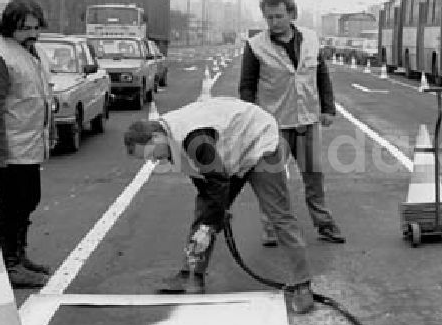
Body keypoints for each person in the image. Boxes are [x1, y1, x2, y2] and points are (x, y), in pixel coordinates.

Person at [123, 96, 315, 313]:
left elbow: (218, 180)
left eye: (149, 154)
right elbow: (205, 184)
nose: (152, 161)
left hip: (259, 141)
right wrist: (212, 218)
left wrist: (211, 224)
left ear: (156, 137)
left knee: (279, 215)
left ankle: (302, 285)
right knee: (205, 210)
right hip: (230, 153)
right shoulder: (170, 141)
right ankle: (191, 275)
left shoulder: (193, 138)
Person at [238, 0, 344, 246]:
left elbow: (321, 76)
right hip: (272, 125)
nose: (273, 23)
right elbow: (247, 86)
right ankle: (271, 228)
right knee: (272, 180)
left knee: (314, 176)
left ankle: (324, 224)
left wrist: (328, 108)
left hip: (306, 121)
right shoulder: (255, 46)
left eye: (278, 16)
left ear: (291, 14)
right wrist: (250, 122)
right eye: (269, 18)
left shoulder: (310, 39)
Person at [0, 0, 54, 288]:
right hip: (6, 148)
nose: (32, 33)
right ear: (10, 26)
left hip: (28, 145)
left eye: (35, 27)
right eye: (25, 28)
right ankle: (9, 264)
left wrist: (50, 131)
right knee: (11, 204)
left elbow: (43, 97)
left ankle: (19, 256)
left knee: (28, 199)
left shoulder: (33, 53)